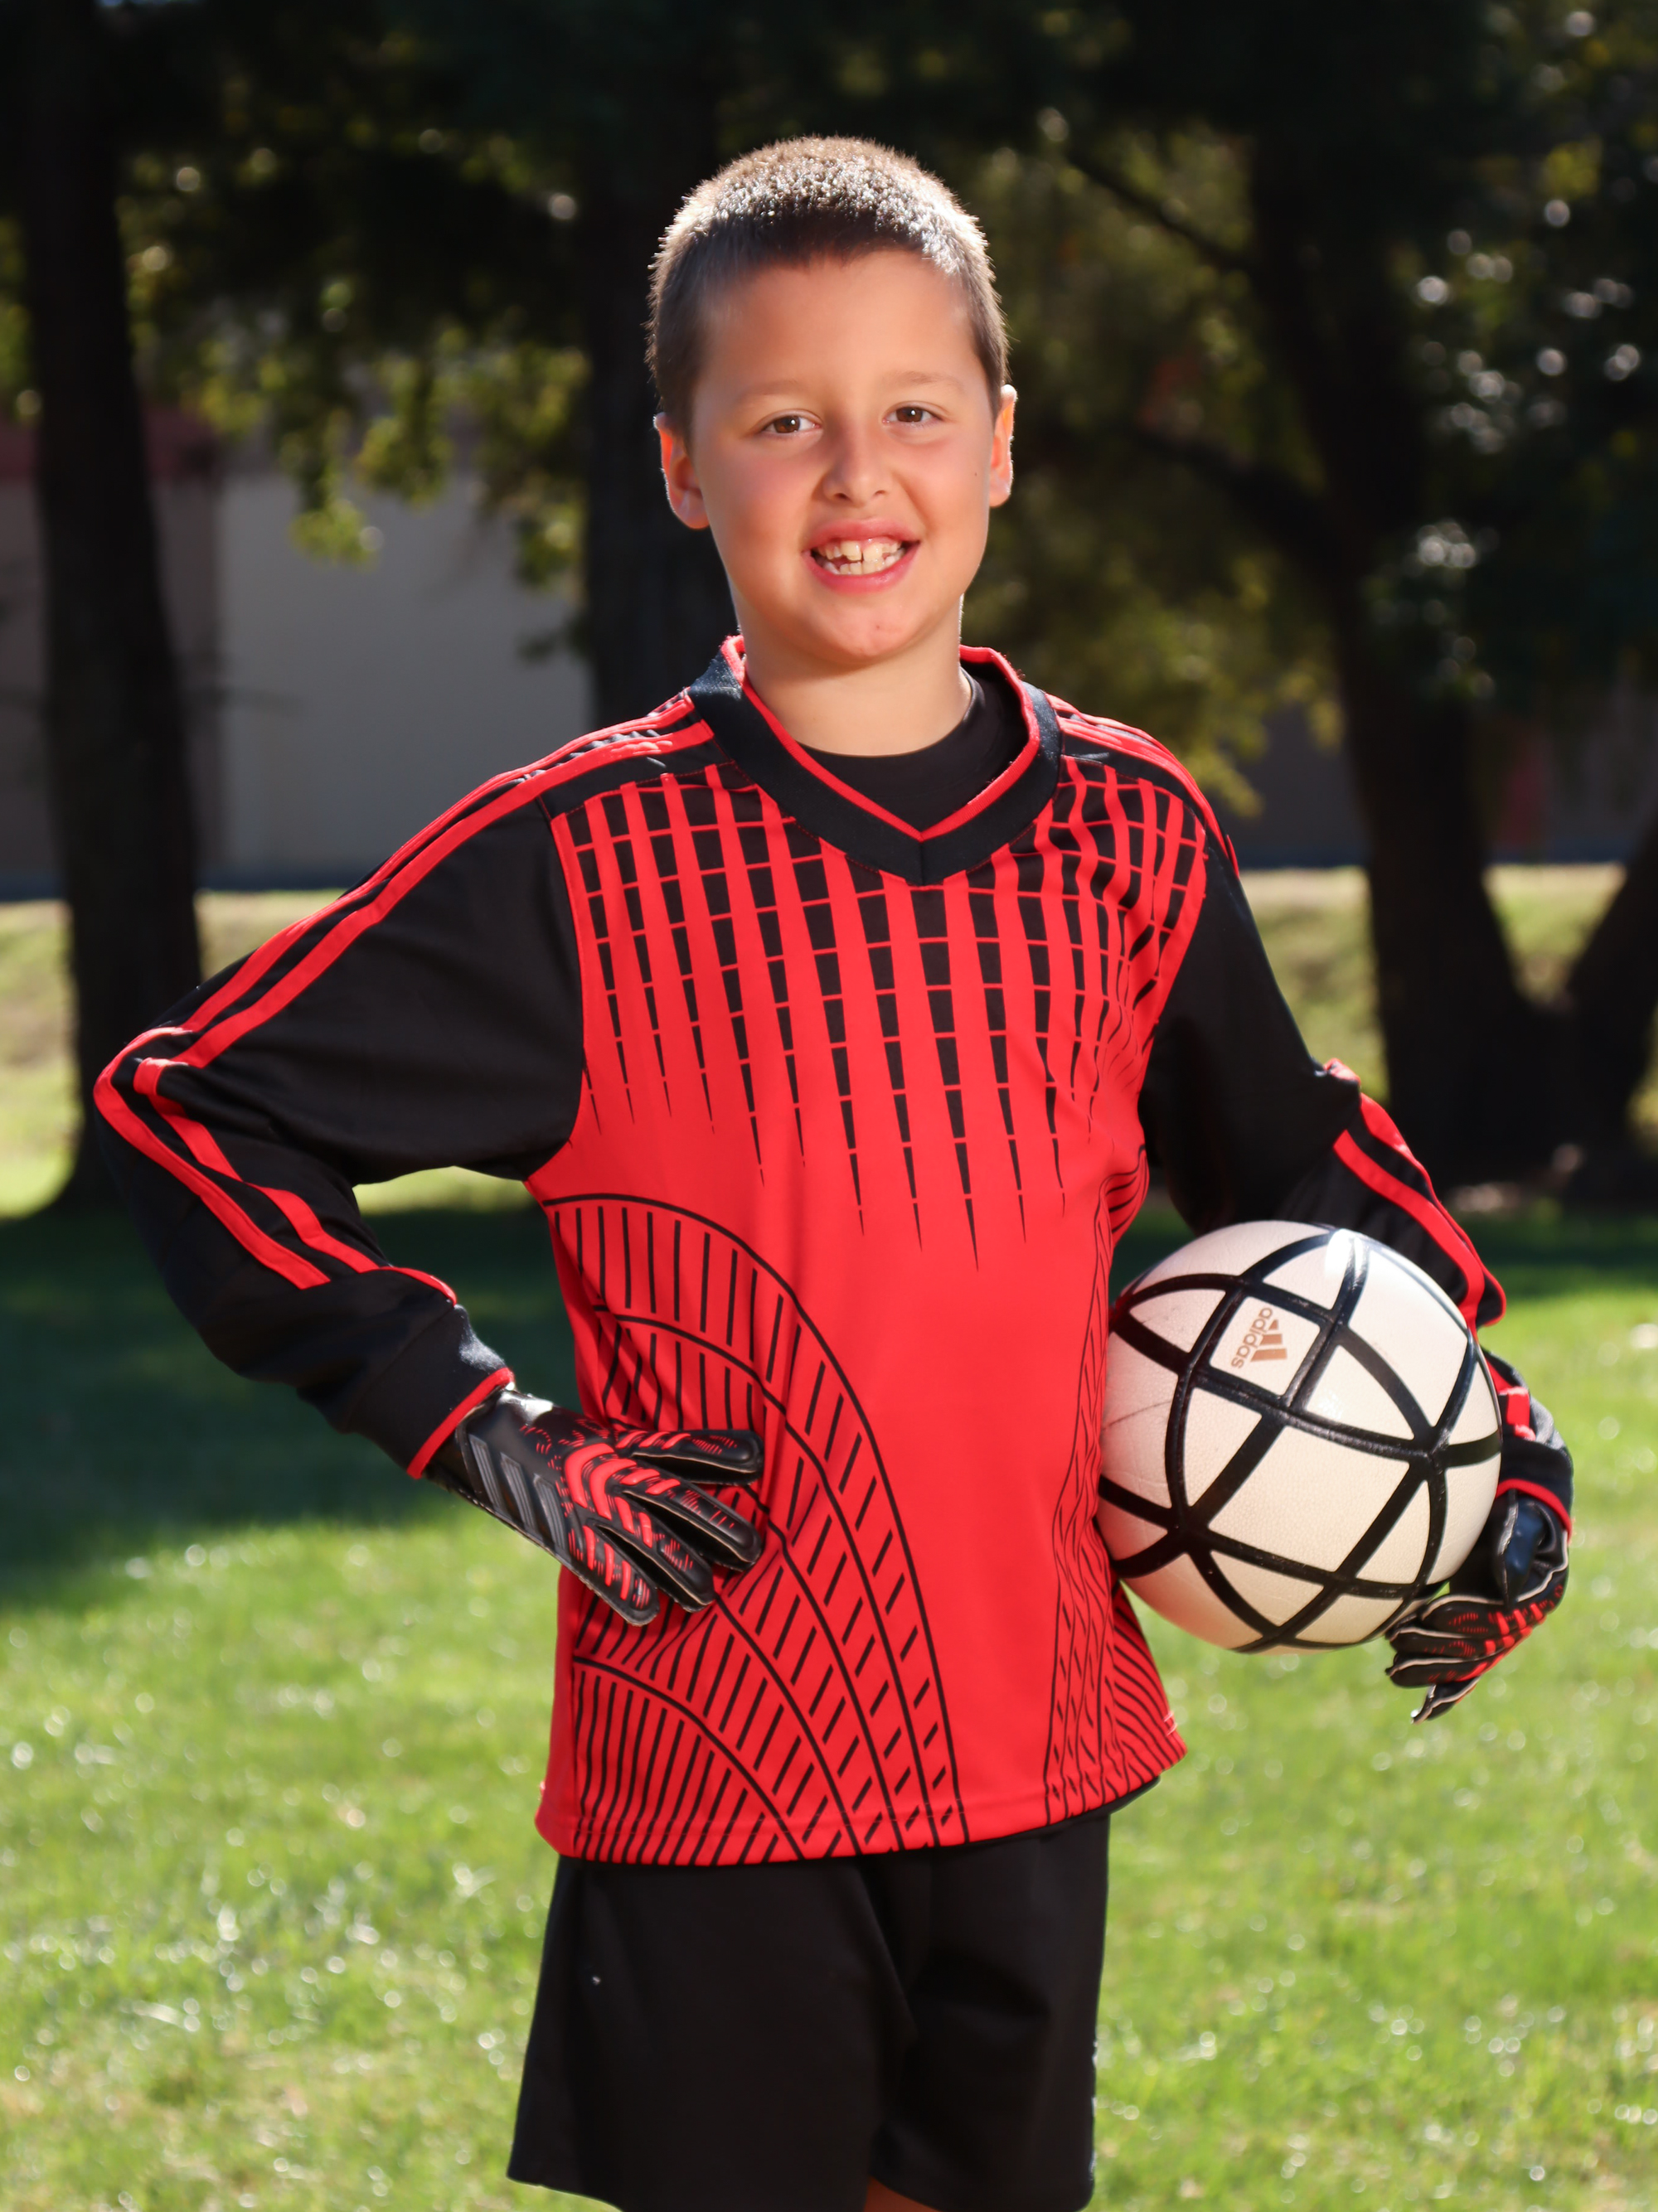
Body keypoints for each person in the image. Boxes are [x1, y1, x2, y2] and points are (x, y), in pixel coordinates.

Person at [98, 138, 1572, 2212]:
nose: (855, 471)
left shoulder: (1131, 833)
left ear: (999, 444)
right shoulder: (574, 862)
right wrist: (490, 1428)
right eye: (782, 419)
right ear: (682, 467)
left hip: (1038, 1747)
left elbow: (1293, 1158)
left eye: (912, 411)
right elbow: (190, 1105)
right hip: (719, 1756)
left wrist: (1492, 1442)